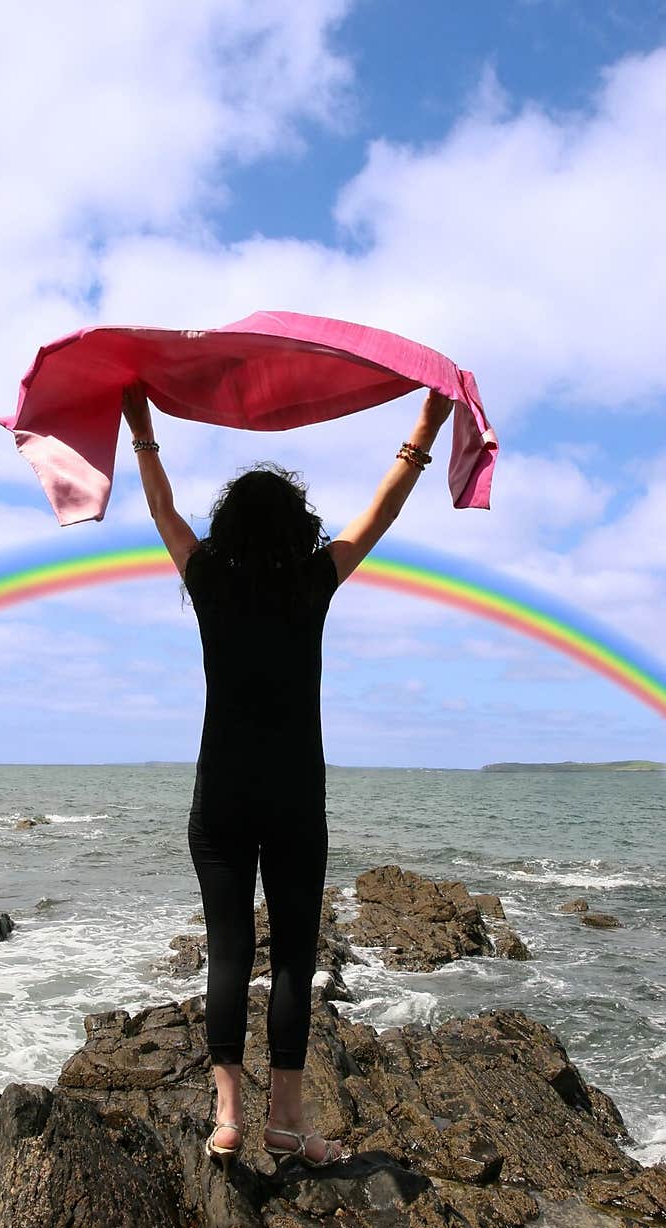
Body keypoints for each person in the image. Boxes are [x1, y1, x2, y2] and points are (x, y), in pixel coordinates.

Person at [121, 382, 455, 1176]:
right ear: (296, 526)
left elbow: (164, 510)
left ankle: (228, 1117)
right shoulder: (314, 580)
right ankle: (289, 1121)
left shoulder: (206, 576)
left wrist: (143, 431)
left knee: (229, 950)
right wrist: (424, 426)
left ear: (229, 526)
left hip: (221, 794)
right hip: (297, 794)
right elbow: (384, 510)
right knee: (295, 957)